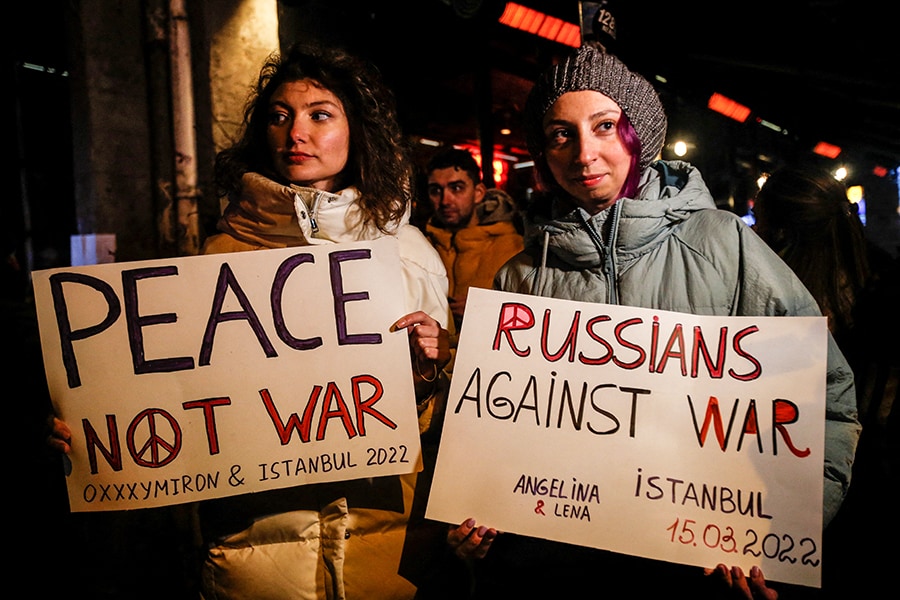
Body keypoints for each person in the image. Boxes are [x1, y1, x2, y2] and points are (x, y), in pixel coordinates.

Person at [439, 44, 861, 599]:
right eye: (560, 134)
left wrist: (780, 530)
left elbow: (825, 396)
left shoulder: (723, 243)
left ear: (637, 132)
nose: (584, 154)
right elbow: (492, 423)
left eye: (605, 126)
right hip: (560, 570)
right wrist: (478, 512)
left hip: (692, 574)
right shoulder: (521, 274)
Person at [49, 42, 454, 600]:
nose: (296, 134)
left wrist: (430, 372)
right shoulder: (218, 259)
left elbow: (430, 419)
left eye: (320, 115)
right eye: (279, 116)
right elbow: (176, 397)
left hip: (383, 548)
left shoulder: (410, 255)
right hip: (255, 556)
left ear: (357, 130)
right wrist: (94, 425)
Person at [753, 164, 899, 597]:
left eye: (759, 222)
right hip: (869, 508)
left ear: (783, 234)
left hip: (817, 502)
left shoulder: (774, 303)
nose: (754, 234)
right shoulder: (882, 283)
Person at [423, 147, 524, 339]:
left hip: (485, 363)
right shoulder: (420, 247)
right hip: (430, 364)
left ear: (478, 192)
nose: (445, 200)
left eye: (456, 188)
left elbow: (532, 317)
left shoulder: (513, 248)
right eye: (436, 190)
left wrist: (486, 309)